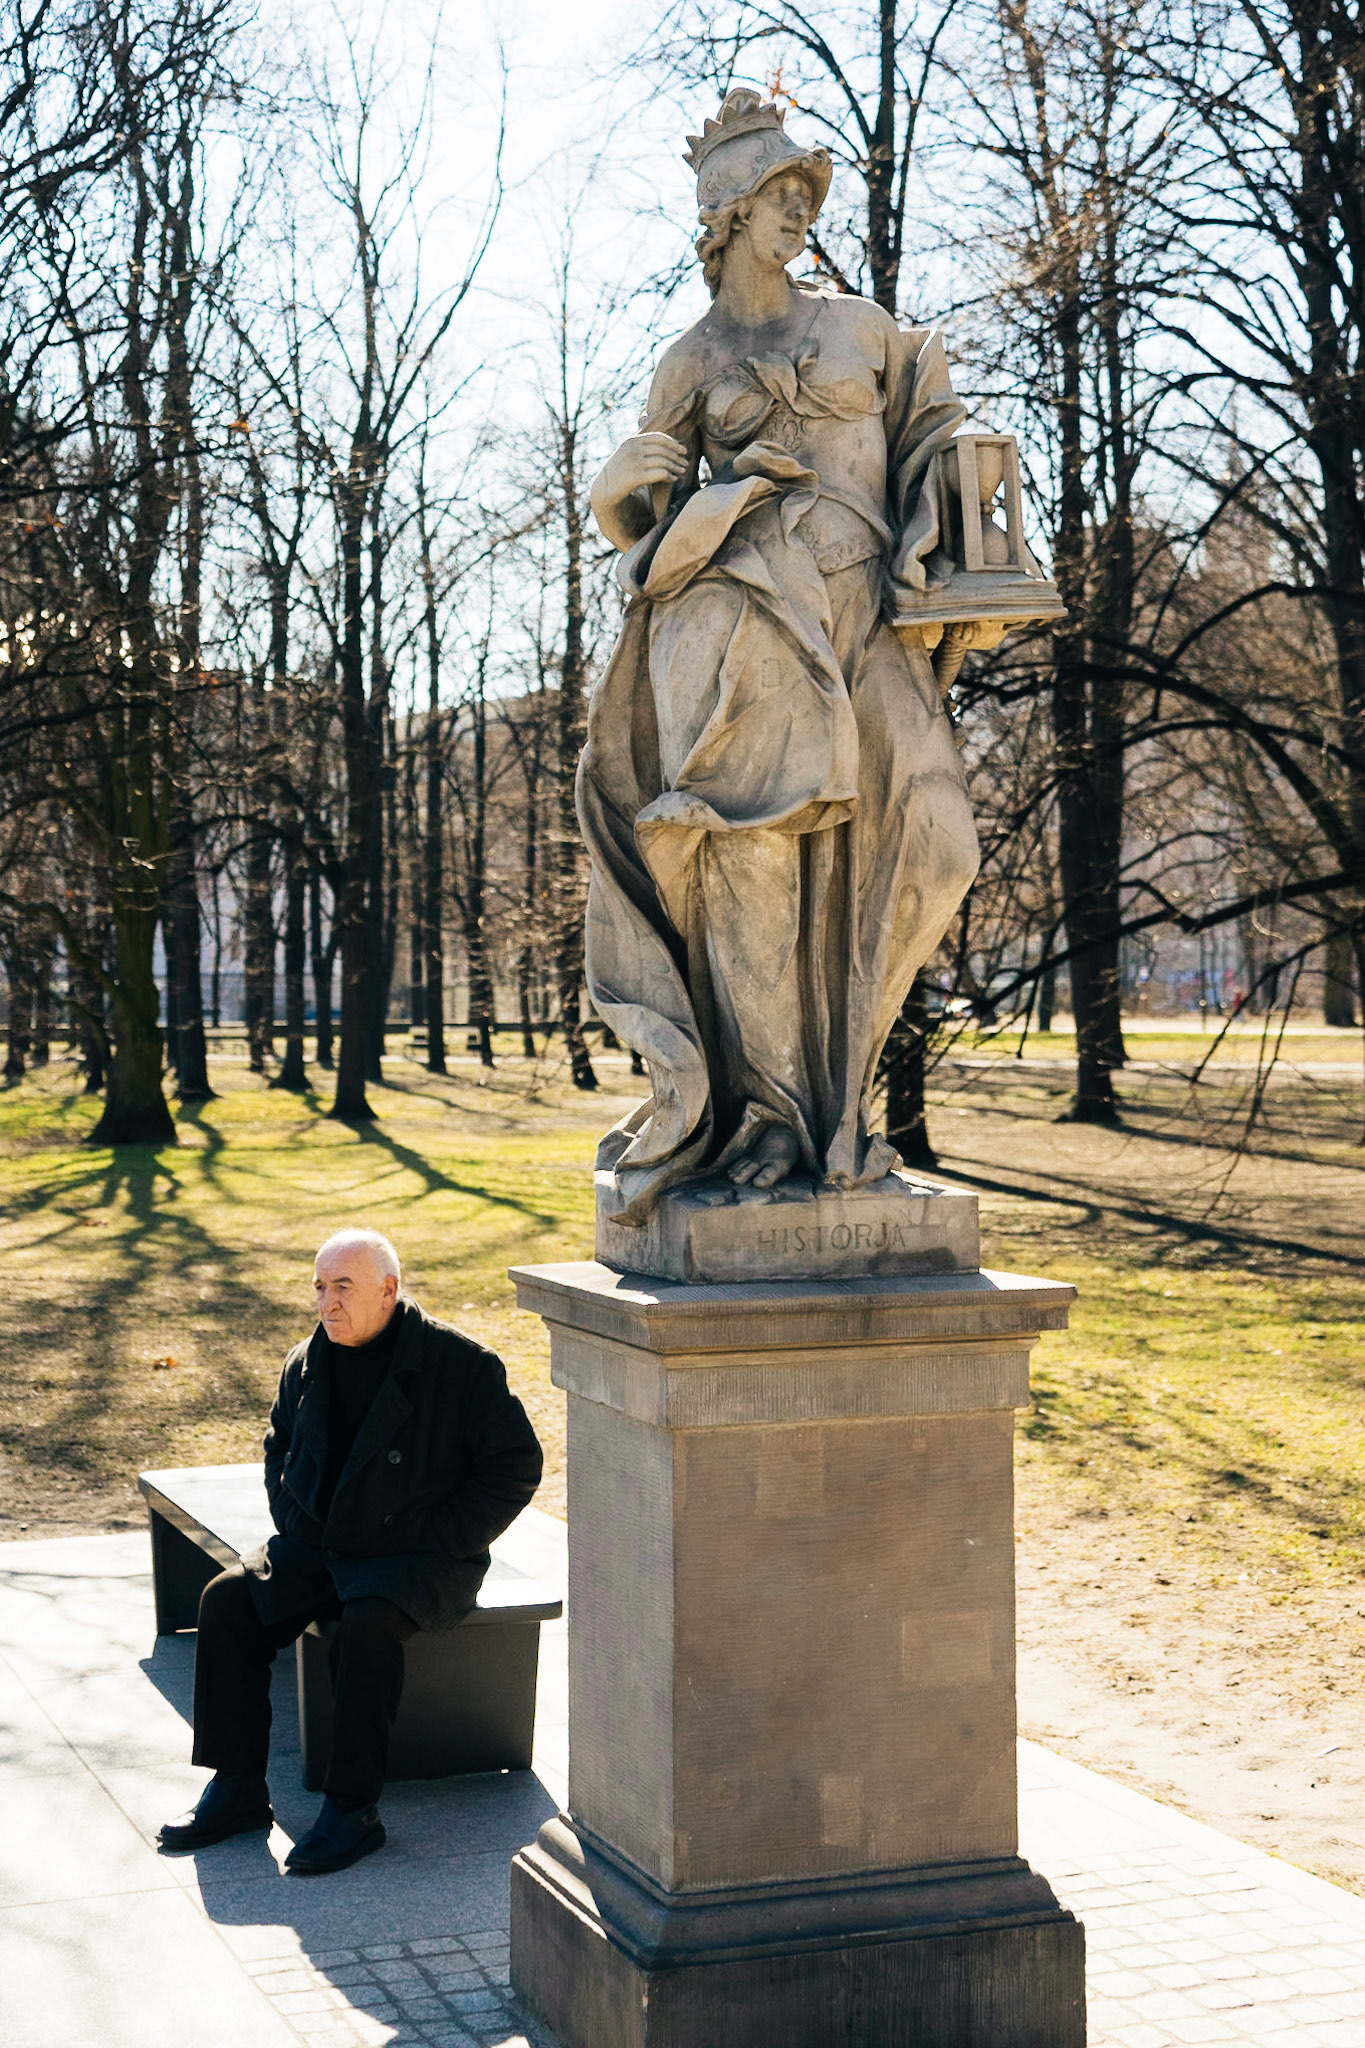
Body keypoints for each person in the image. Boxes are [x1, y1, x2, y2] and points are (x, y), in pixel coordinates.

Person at [581, 88, 981, 1222]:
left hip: (868, 626)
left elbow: (933, 435)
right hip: (753, 631)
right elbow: (637, 506)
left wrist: (934, 524)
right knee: (755, 880)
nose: (801, 212)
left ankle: (842, 1104)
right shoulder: (690, 358)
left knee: (934, 849)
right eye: (780, 195)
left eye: (808, 193)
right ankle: (769, 1120)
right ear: (727, 213)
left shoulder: (861, 328)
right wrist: (656, 501)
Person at [158, 1228, 543, 1875]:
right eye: (319, 1288)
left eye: (343, 1288)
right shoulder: (305, 1359)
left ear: (388, 1291)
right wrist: (291, 1516)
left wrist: (445, 1537)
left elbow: (515, 1464)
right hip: (319, 1542)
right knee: (227, 1602)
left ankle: (352, 1810)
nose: (327, 1303)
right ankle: (238, 1787)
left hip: (414, 1555)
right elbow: (278, 1445)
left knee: (364, 1630)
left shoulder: (458, 1364)